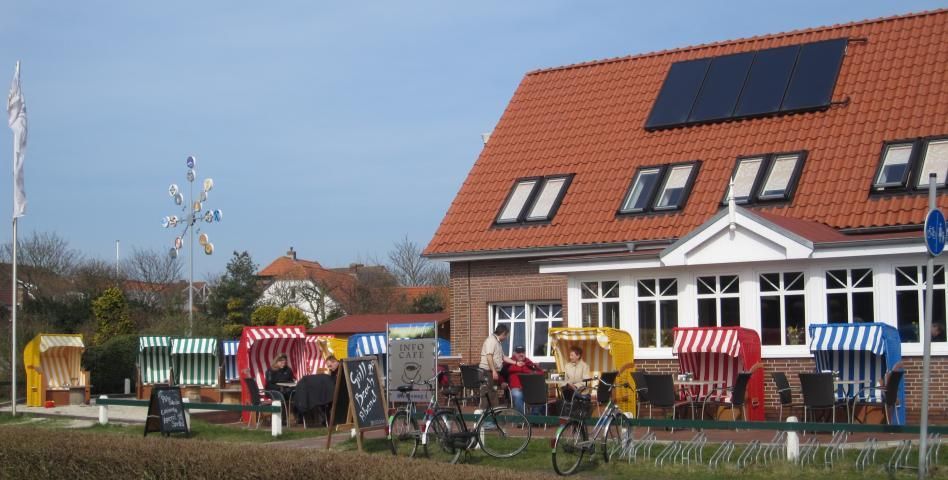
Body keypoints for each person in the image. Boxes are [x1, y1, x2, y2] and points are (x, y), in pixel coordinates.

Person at [479, 324, 522, 408]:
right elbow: (489, 356)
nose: (506, 338)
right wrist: (494, 371)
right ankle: (482, 417)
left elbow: (503, 357)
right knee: (487, 395)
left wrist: (516, 363)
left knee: (494, 393)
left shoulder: (497, 342)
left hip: (493, 372)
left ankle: (494, 416)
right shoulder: (491, 341)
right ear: (503, 333)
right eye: (506, 336)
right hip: (487, 372)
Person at [505, 345, 545, 415]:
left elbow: (541, 372)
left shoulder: (528, 362)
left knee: (540, 394)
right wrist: (502, 382)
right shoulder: (509, 362)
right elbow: (503, 373)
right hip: (516, 388)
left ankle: (534, 417)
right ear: (514, 353)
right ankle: (523, 418)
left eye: (522, 352)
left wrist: (532, 369)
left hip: (529, 388)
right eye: (518, 352)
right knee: (518, 395)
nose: (521, 354)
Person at [265, 354, 296, 424]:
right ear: (276, 362)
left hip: (286, 390)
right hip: (273, 391)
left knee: (296, 394)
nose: (283, 364)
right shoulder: (270, 371)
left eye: (285, 362)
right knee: (281, 396)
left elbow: (291, 380)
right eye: (281, 362)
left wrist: (291, 384)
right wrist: (280, 387)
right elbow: (269, 384)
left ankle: (297, 417)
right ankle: (281, 419)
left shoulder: (288, 370)